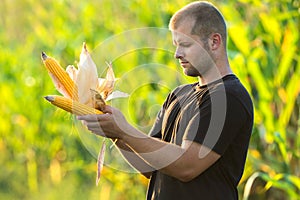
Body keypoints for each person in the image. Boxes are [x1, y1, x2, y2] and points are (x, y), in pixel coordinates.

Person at [78, 1, 254, 199]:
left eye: (185, 45)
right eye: (176, 45)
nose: (177, 54)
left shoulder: (229, 97)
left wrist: (123, 129)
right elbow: (149, 166)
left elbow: (187, 166)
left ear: (214, 42)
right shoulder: (178, 96)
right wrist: (115, 134)